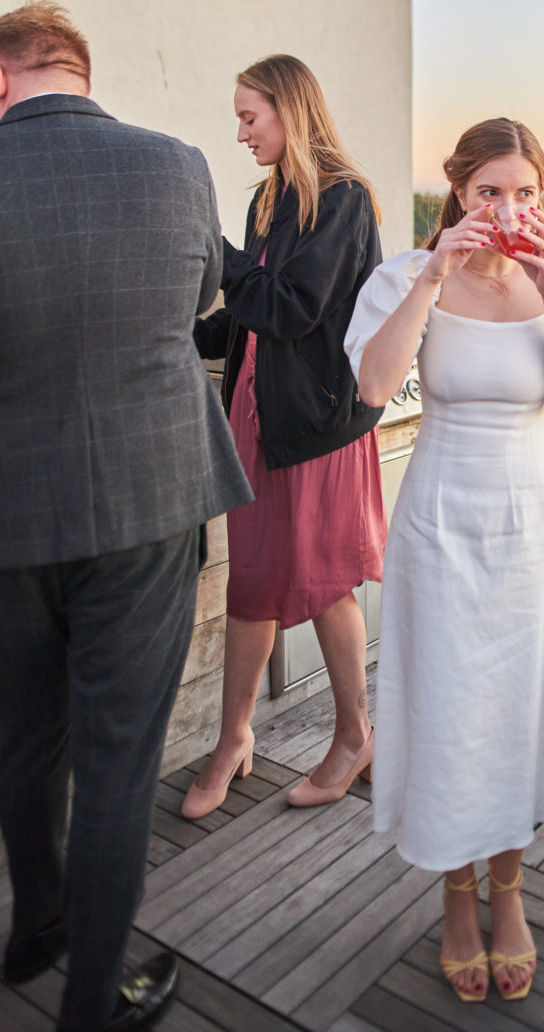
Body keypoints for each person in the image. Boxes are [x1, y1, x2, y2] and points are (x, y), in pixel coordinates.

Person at [0, 2, 252, 1032]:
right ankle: (91, 1003)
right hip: (149, 502)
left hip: (6, 517)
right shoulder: (178, 166)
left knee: (25, 744)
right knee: (117, 765)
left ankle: (34, 930)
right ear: (79, 73)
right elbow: (200, 302)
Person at [345, 117, 544, 1005]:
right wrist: (434, 275)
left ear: (542, 199)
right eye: (489, 191)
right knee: (450, 706)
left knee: (514, 708)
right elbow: (372, 386)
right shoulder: (405, 276)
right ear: (458, 192)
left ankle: (510, 891)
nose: (507, 208)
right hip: (438, 520)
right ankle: (456, 896)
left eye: (525, 193)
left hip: (527, 521)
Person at [185, 54, 387, 820]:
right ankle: (234, 737)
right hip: (255, 413)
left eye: (250, 117)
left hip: (314, 427)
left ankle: (353, 735)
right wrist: (180, 333)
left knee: (325, 581)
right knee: (252, 580)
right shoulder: (270, 199)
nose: (241, 133)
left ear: (289, 110)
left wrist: (217, 253)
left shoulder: (344, 199)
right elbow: (249, 312)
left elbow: (292, 306)